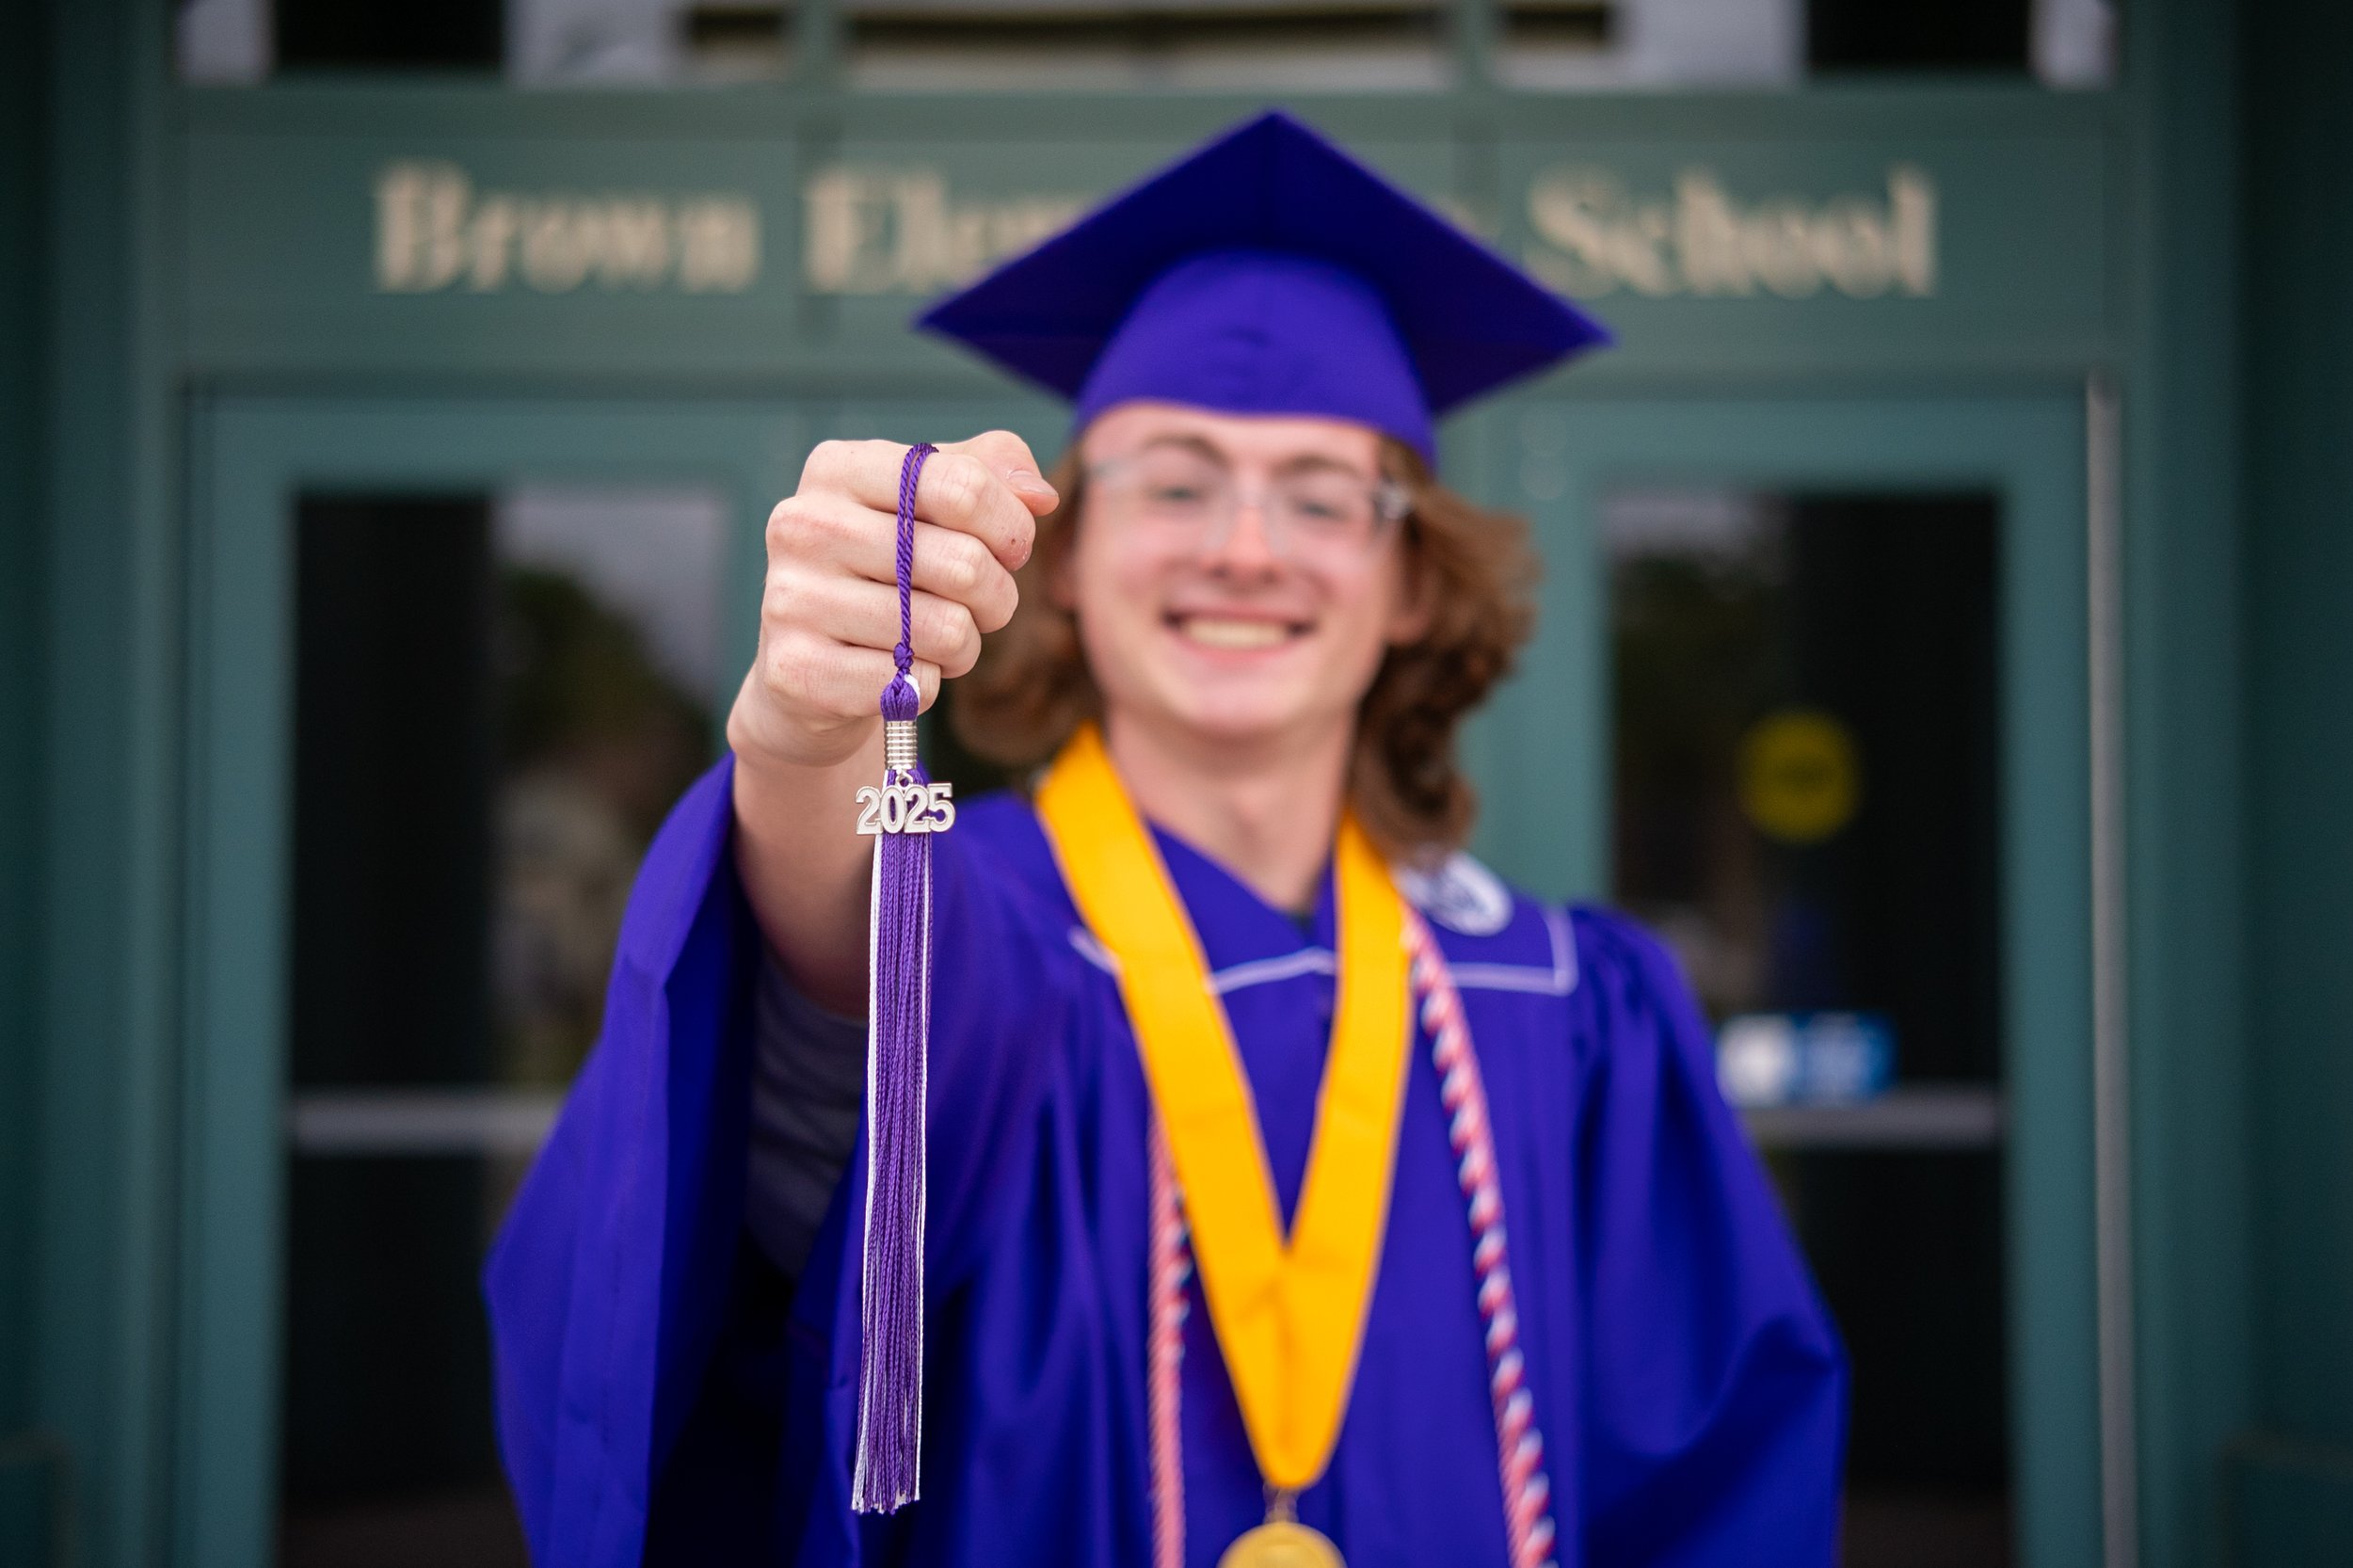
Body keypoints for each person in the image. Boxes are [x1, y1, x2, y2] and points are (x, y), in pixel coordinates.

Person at [486, 110, 1845, 1568]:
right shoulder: (989, 939)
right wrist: (802, 751)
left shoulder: (1571, 1010)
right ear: (1067, 557)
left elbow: (1723, 1498)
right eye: (1176, 479)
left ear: (1407, 583)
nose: (1245, 546)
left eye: (1325, 494)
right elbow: (836, 998)